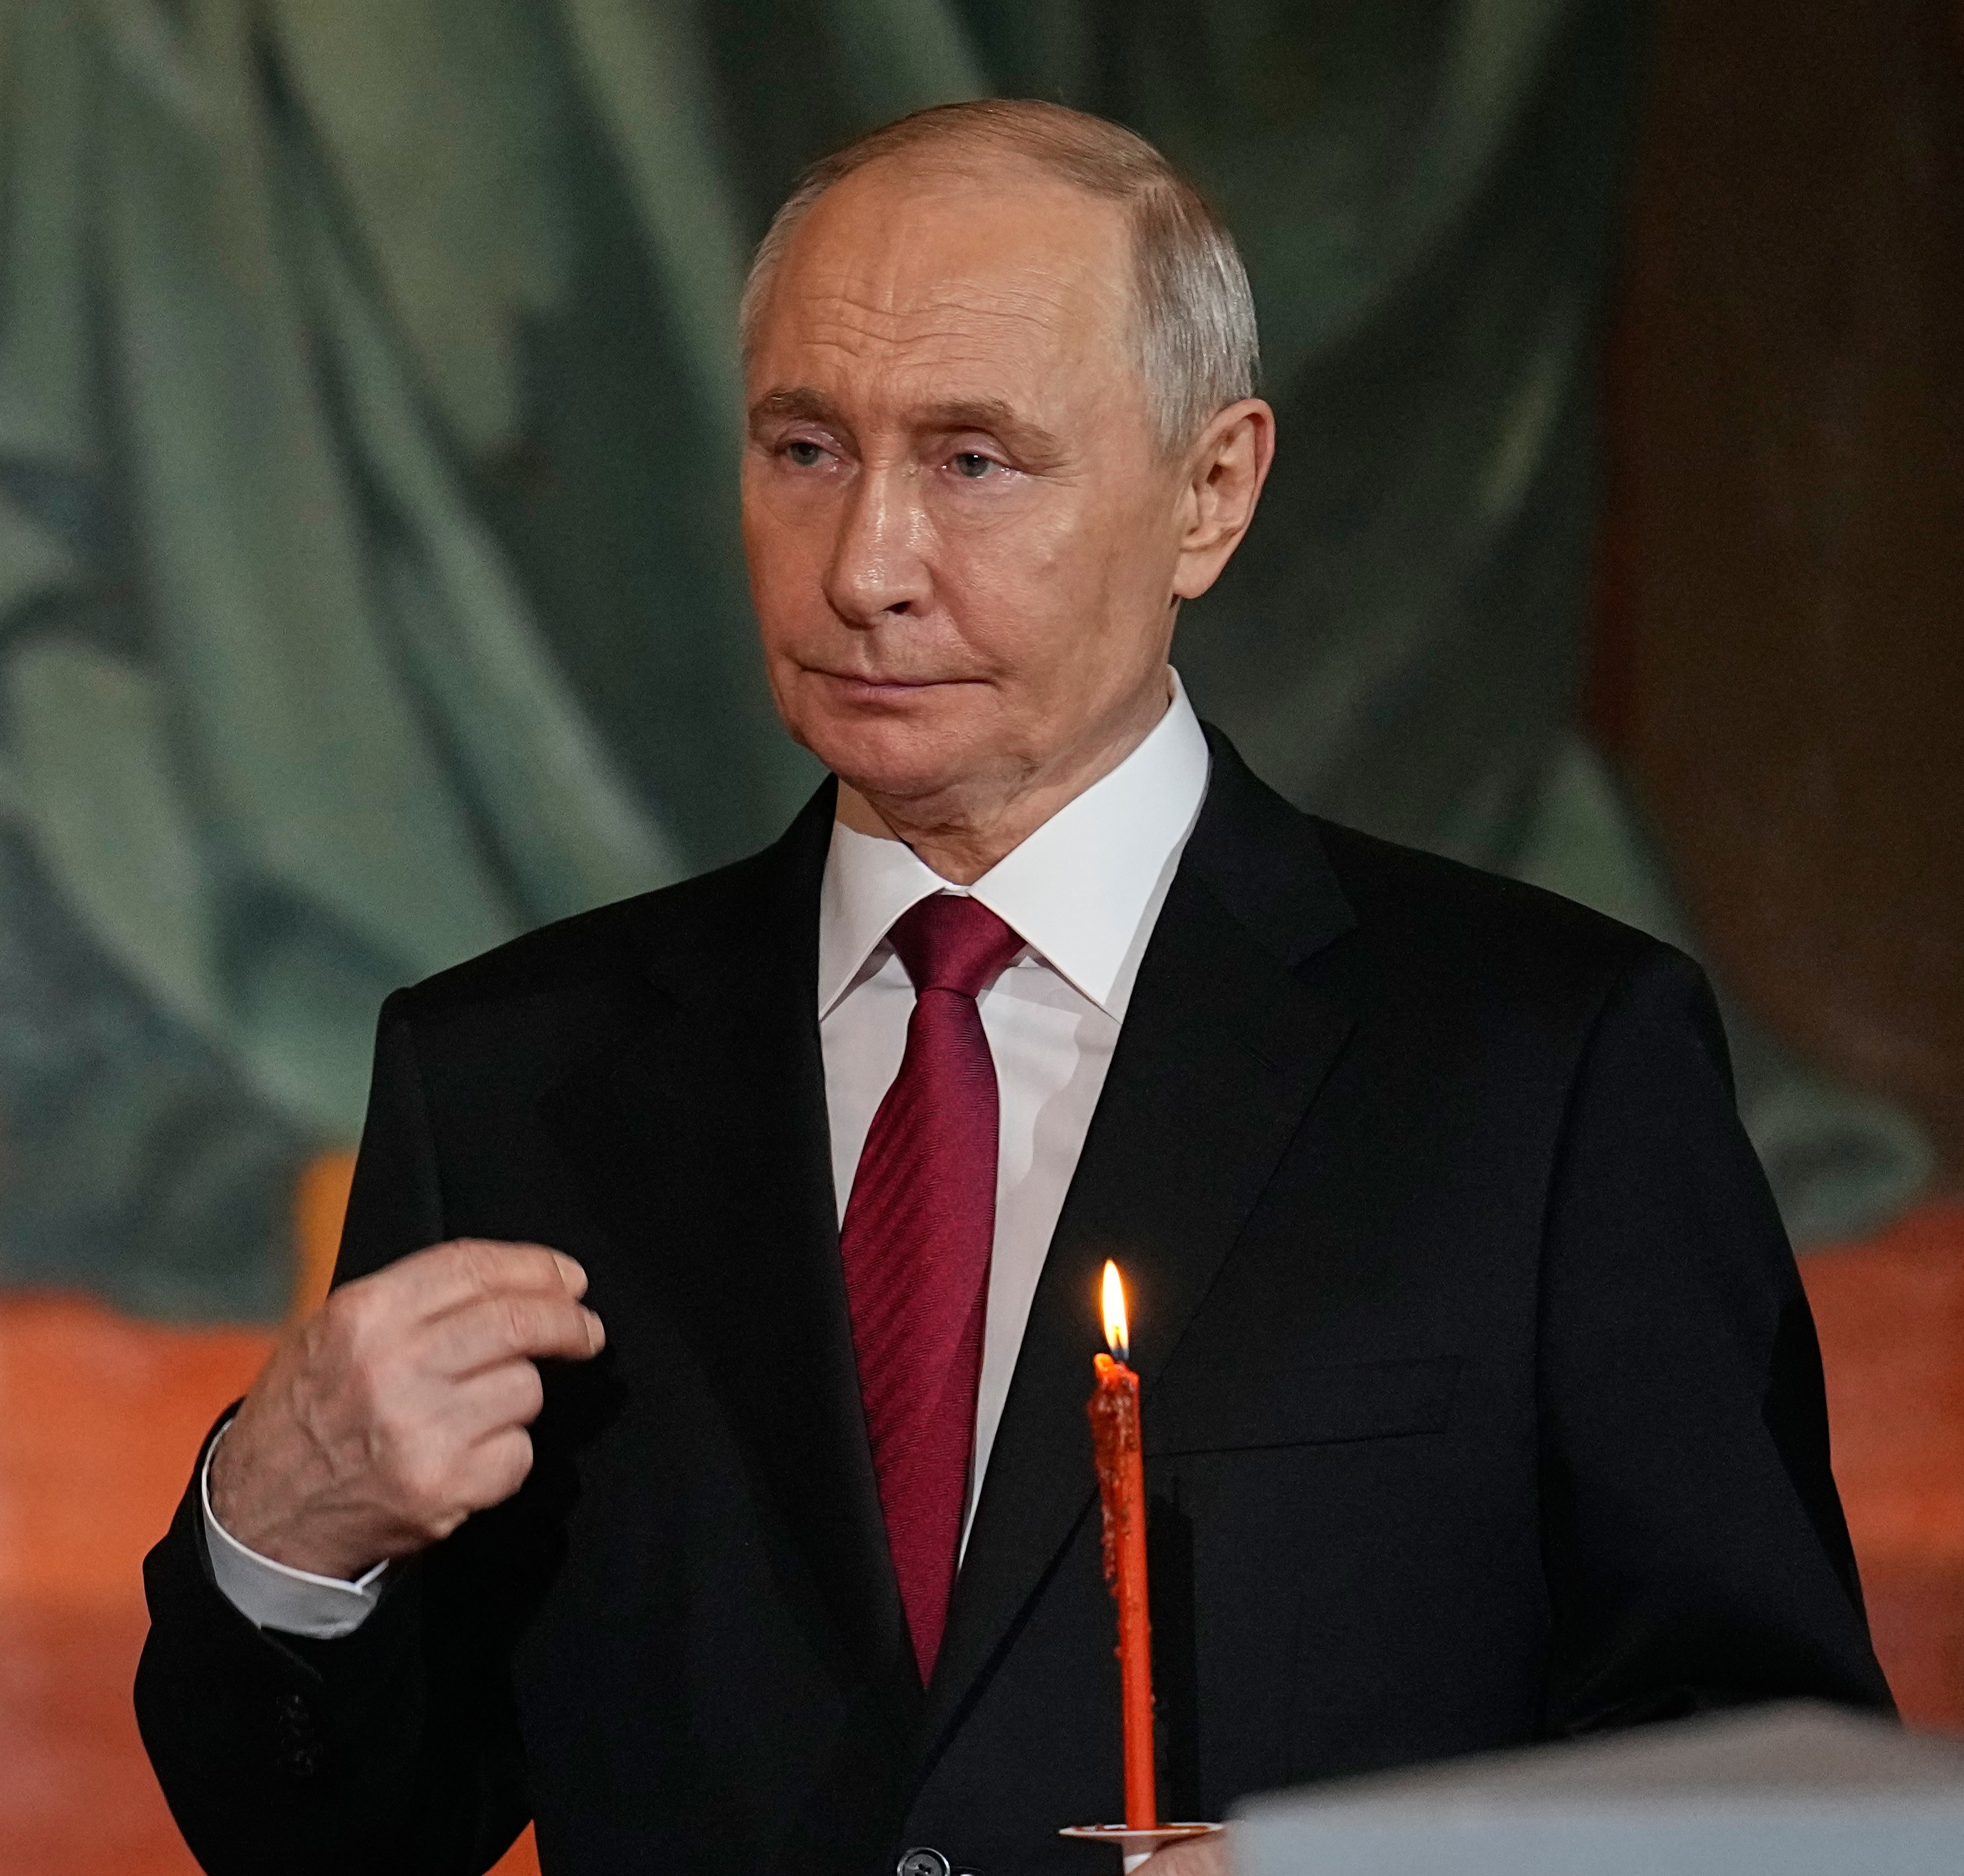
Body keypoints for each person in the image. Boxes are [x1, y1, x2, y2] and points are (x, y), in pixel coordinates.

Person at [132, 99, 1891, 1876]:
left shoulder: (1550, 1066)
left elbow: (1776, 1792)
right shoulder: (508, 1078)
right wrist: (281, 1530)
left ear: (1211, 493)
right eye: (805, 448)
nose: (864, 567)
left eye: (974, 460)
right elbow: (334, 1842)